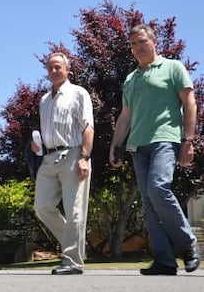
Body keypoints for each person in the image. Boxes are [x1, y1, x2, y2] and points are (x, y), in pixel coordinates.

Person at [109, 24, 200, 275]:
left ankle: (188, 244)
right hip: (138, 145)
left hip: (165, 139)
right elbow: (125, 115)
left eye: (142, 42)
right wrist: (115, 145)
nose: (138, 47)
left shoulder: (173, 67)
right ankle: (165, 261)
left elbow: (190, 103)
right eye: (133, 44)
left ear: (153, 41)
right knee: (149, 204)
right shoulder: (131, 78)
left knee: (158, 189)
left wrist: (188, 141)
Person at [32, 52, 94, 275]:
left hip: (74, 154)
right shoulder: (44, 100)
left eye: (57, 67)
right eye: (49, 68)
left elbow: (88, 128)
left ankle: (73, 262)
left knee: (75, 210)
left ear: (68, 69)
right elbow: (49, 132)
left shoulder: (79, 93)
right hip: (48, 158)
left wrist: (85, 157)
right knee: (42, 207)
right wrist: (37, 146)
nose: (53, 71)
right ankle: (76, 244)